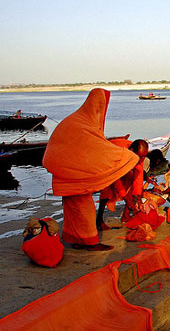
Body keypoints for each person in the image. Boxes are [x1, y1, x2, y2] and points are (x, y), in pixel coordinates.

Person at [43, 89, 138, 251]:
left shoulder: (75, 121)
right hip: (72, 175)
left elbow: (85, 149)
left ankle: (77, 240)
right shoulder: (80, 123)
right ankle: (90, 243)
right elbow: (92, 149)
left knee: (74, 211)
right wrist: (128, 158)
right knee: (85, 210)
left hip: (67, 173)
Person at [96, 139, 150, 230]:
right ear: (132, 151)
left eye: (143, 157)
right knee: (107, 191)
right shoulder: (118, 152)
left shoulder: (139, 155)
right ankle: (99, 220)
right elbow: (115, 178)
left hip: (122, 165)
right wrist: (125, 199)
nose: (141, 160)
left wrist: (137, 197)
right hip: (105, 163)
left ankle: (126, 215)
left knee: (131, 181)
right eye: (140, 157)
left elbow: (138, 174)